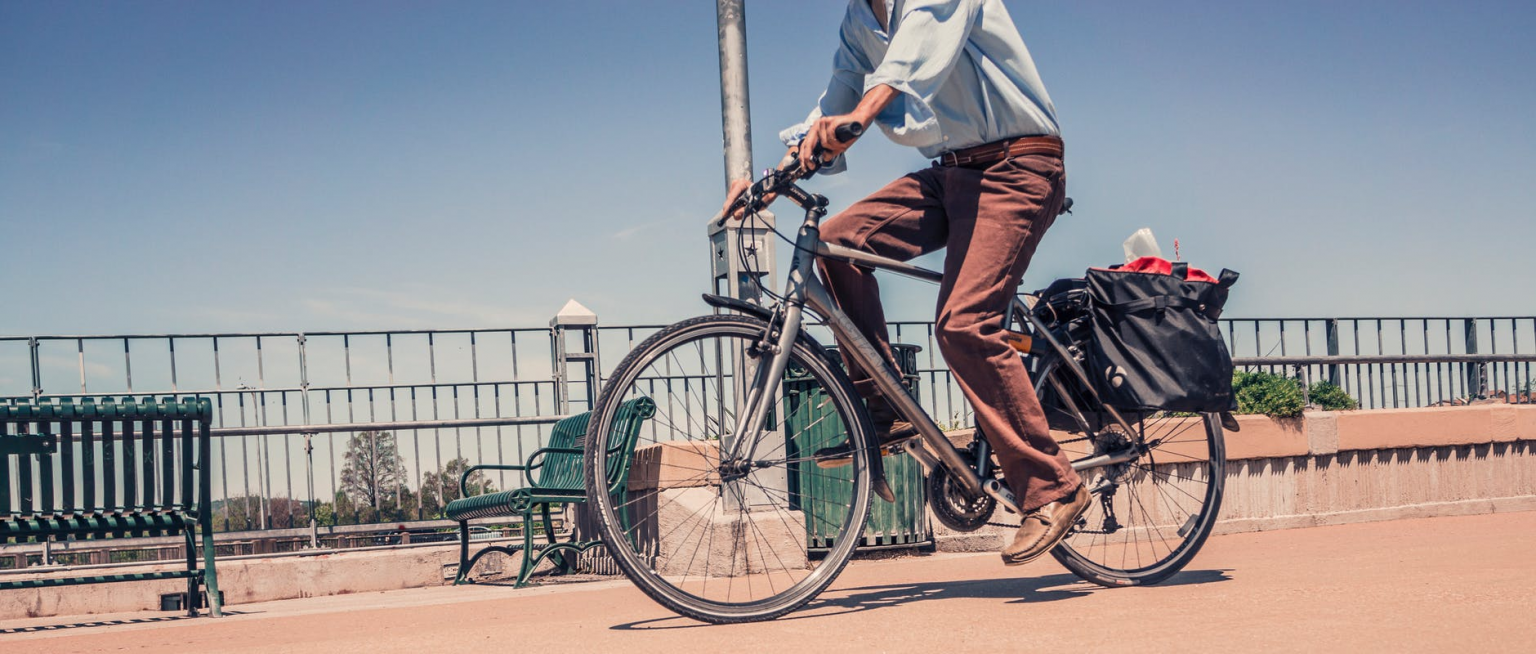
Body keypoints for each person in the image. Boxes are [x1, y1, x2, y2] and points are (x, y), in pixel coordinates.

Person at [721, 0, 1087, 566]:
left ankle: (1052, 487)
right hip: (954, 170)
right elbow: (837, 97)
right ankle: (882, 409)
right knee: (838, 242)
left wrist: (861, 119)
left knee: (965, 324)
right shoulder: (857, 21)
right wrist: (771, 179)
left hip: (1020, 166)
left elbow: (911, 59)